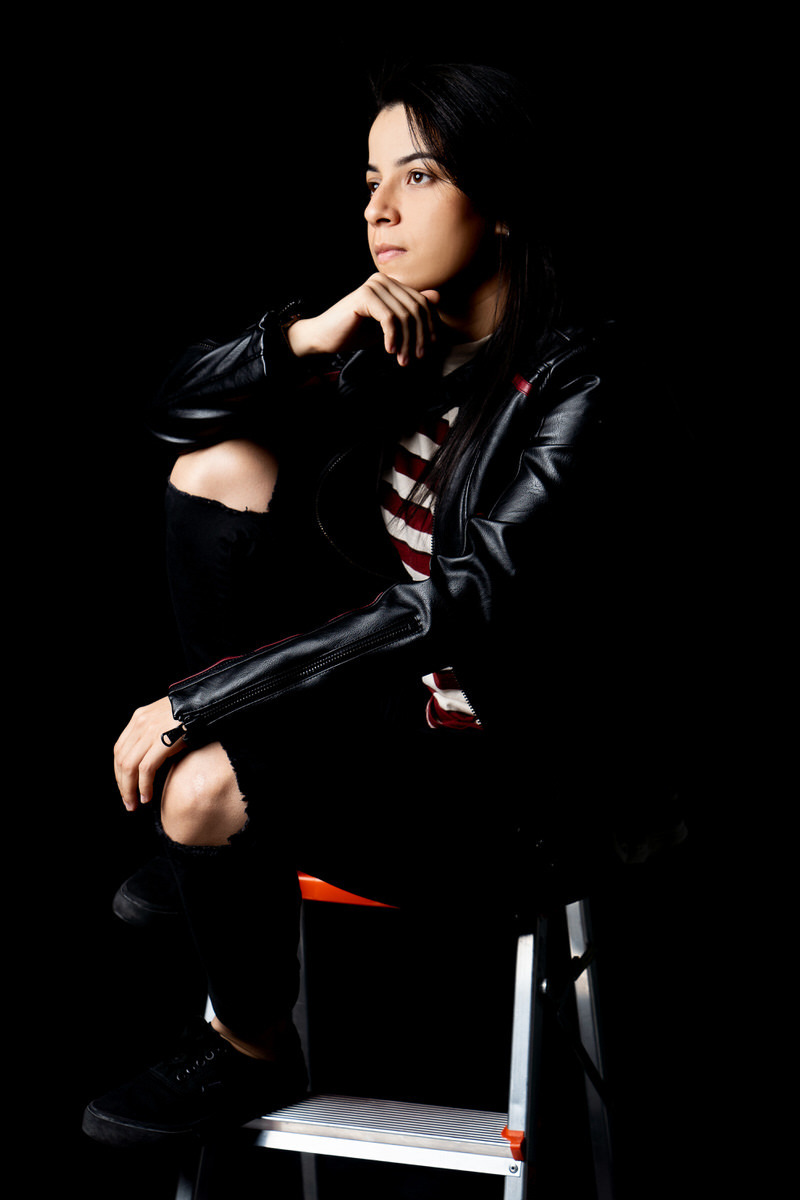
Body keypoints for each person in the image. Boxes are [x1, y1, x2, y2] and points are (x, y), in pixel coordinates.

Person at [83, 62, 688, 1149]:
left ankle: (250, 1047)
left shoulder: (583, 383)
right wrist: (305, 339)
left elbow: (467, 599)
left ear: (500, 204)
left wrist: (201, 706)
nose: (378, 212)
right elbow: (172, 417)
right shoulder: (401, 343)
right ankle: (225, 836)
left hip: (522, 791)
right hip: (399, 729)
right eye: (370, 181)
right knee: (218, 465)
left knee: (199, 784)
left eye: (419, 176)